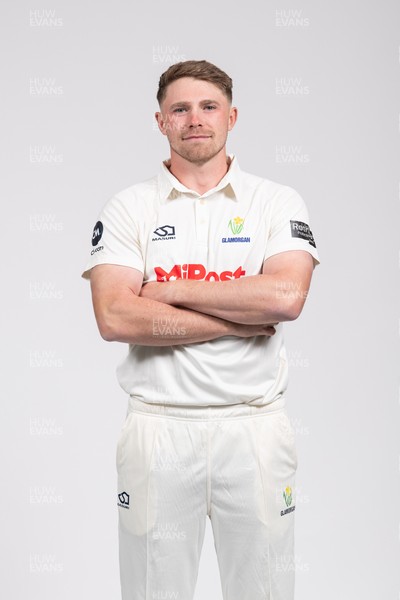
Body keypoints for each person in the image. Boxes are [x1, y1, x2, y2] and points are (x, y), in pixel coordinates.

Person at [82, 59, 320, 600]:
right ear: (160, 121)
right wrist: (239, 317)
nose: (195, 119)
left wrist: (170, 290)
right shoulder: (128, 208)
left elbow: (285, 297)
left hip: (254, 429)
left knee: (264, 591)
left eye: (208, 106)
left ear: (232, 116)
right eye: (180, 109)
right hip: (158, 429)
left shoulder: (275, 202)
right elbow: (115, 316)